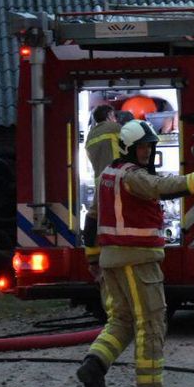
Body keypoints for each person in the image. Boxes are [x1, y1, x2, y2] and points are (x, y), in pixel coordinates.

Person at [77, 120, 194, 387]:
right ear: (128, 148)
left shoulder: (107, 175)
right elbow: (162, 186)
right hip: (139, 262)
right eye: (142, 147)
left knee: (121, 321)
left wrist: (93, 260)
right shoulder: (133, 177)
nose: (147, 152)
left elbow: (92, 220)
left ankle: (93, 366)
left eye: (149, 146)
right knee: (152, 323)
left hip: (112, 262)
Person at [82, 105, 122, 322]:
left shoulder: (90, 136)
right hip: (119, 180)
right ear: (109, 116)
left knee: (94, 218)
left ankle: (93, 261)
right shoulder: (116, 128)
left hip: (100, 182)